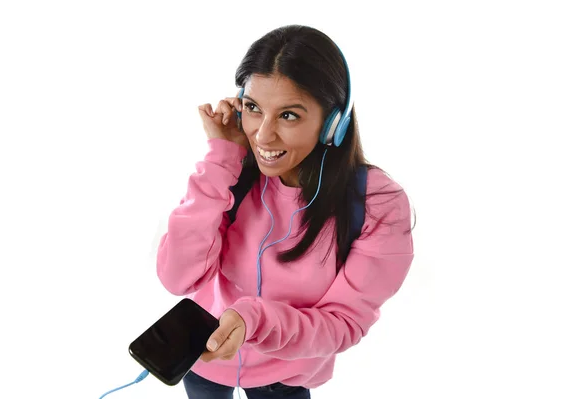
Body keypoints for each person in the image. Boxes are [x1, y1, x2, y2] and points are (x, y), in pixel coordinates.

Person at [156, 24, 415, 399]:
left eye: (289, 115)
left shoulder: (377, 204)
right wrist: (220, 158)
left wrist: (255, 320)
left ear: (332, 124)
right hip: (205, 356)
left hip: (285, 375)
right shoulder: (232, 171)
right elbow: (177, 278)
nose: (262, 135)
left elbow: (343, 322)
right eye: (253, 108)